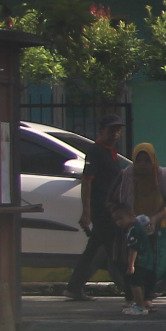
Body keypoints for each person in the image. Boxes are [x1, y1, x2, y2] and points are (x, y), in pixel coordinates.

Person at [65, 116, 128, 300]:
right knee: (116, 250)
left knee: (96, 250)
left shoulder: (111, 152)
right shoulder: (96, 151)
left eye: (118, 130)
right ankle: (135, 288)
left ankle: (74, 287)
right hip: (102, 211)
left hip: (111, 209)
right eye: (111, 130)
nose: (115, 134)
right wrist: (87, 211)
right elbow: (87, 182)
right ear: (102, 130)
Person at [121, 141, 166, 316]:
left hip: (154, 226)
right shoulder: (127, 175)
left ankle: (147, 298)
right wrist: (130, 219)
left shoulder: (162, 176)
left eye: (147, 161)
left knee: (150, 264)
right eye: (139, 161)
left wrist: (154, 219)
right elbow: (121, 202)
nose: (143, 166)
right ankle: (131, 298)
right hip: (133, 226)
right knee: (131, 263)